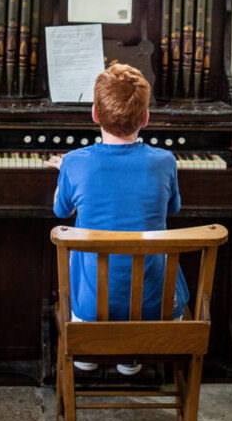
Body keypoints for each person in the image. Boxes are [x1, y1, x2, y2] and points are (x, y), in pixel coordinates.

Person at [52, 62, 189, 373]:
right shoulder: (165, 161)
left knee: (86, 262)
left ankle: (87, 352)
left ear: (95, 114)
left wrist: (65, 172)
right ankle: (131, 356)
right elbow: (173, 209)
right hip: (157, 303)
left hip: (91, 306)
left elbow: (61, 212)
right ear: (146, 117)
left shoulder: (74, 163)